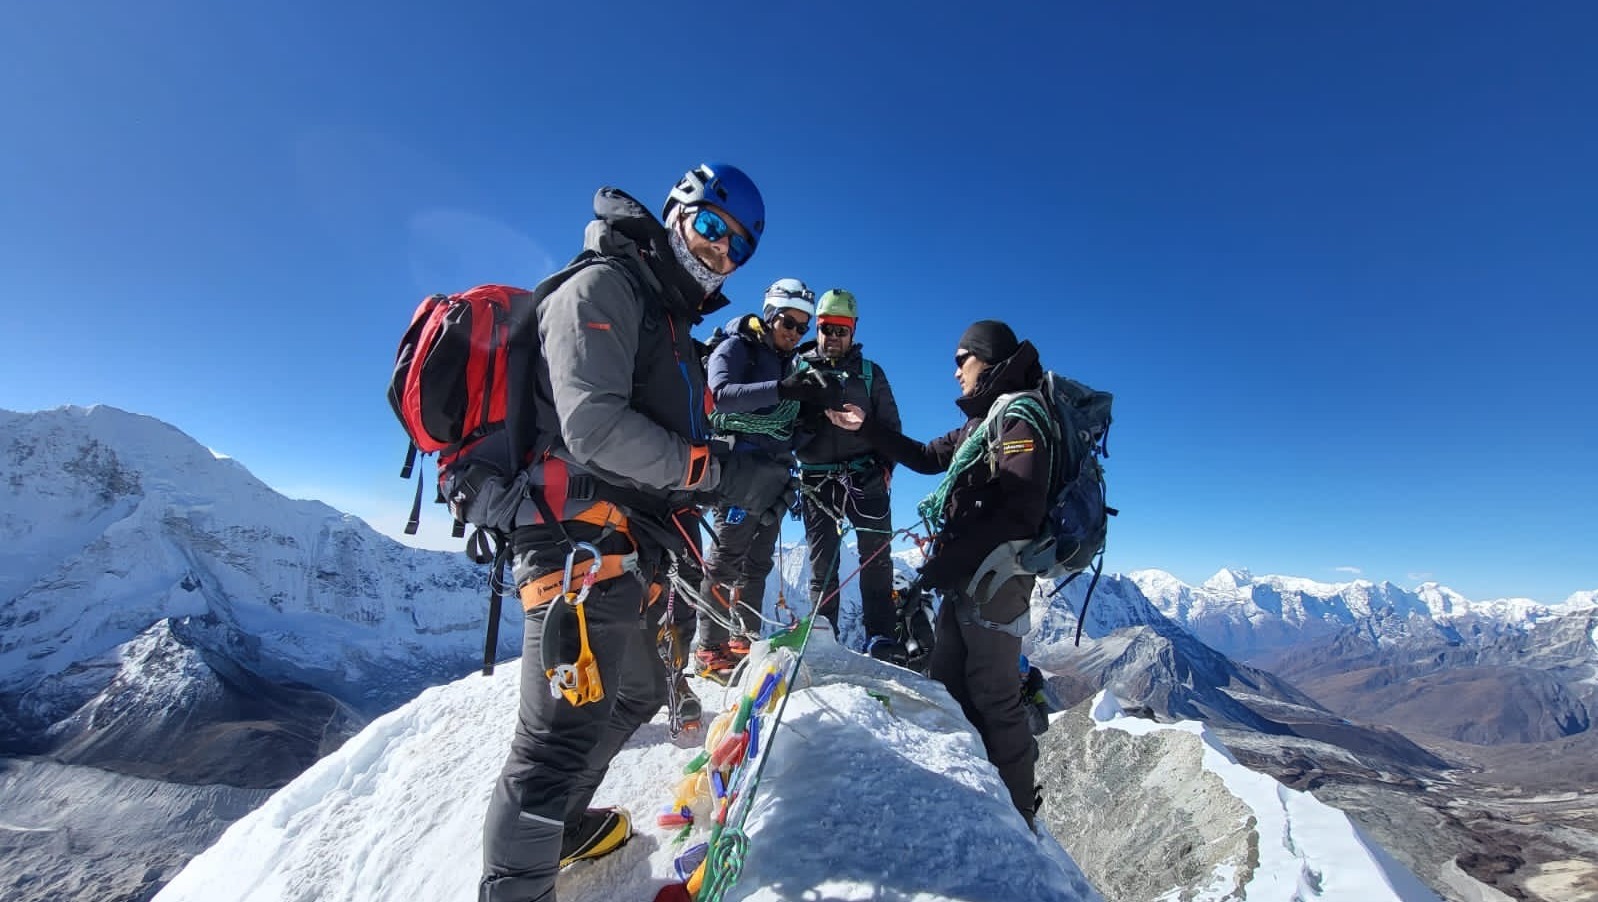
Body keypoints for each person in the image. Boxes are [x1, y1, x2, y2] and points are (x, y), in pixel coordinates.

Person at [479, 163, 793, 902]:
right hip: (573, 545)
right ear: (677, 211)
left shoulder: (666, 318)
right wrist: (711, 471)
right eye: (712, 228)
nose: (720, 252)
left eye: (737, 248)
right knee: (551, 744)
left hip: (624, 548)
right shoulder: (604, 286)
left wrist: (717, 469)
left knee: (641, 690)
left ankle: (556, 826)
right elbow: (593, 428)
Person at [827, 320, 1049, 828]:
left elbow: (1021, 512)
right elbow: (928, 458)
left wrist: (948, 560)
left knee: (994, 693)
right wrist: (866, 427)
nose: (954, 373)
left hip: (997, 581)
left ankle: (1019, 818)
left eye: (960, 359)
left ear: (986, 358)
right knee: (947, 681)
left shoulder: (1020, 418)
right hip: (968, 576)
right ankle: (972, 787)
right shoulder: (985, 420)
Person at [694, 278, 836, 679]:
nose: (795, 334)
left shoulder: (788, 363)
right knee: (724, 561)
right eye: (789, 323)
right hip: (738, 471)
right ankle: (708, 648)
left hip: (772, 476)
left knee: (756, 564)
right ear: (770, 315)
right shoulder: (737, 347)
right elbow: (718, 395)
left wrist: (808, 413)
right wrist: (783, 389)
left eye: (802, 328)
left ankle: (744, 639)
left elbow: (788, 432)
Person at [792, 289, 903, 656]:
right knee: (822, 566)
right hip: (816, 479)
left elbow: (891, 427)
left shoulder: (871, 374)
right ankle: (824, 640)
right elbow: (781, 422)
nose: (833, 337)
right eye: (826, 329)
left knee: (876, 559)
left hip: (865, 475)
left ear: (853, 331)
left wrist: (885, 467)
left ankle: (882, 639)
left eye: (841, 330)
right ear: (818, 328)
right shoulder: (797, 370)